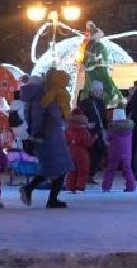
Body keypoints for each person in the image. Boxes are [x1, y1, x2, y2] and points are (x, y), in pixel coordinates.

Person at [21, 69, 72, 208]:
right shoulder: (41, 96)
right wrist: (37, 133)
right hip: (48, 136)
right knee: (57, 167)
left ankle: (46, 196)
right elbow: (38, 116)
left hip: (52, 135)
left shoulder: (43, 95)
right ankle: (39, 193)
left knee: (56, 167)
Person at [100, 91, 137, 192]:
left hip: (114, 153)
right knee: (128, 169)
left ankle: (106, 187)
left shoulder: (112, 129)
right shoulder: (129, 130)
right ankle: (131, 186)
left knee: (110, 169)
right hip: (127, 154)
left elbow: (107, 139)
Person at [65, 108, 95, 192]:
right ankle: (79, 187)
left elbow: (65, 141)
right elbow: (87, 142)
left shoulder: (68, 128)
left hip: (70, 150)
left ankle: (70, 187)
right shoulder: (83, 130)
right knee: (83, 169)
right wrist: (93, 138)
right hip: (81, 152)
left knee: (71, 170)